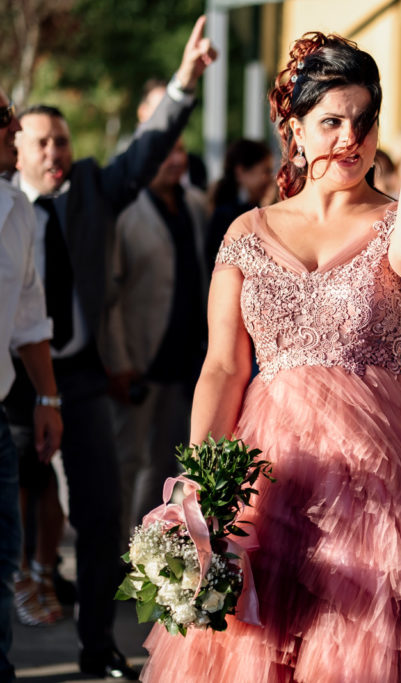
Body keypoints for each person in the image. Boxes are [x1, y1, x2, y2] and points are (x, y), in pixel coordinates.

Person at [139, 32, 401, 682]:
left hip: (382, 482)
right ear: (295, 127)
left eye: (364, 122)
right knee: (267, 639)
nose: (350, 138)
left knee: (366, 648)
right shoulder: (247, 233)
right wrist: (197, 488)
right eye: (332, 121)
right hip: (272, 472)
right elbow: (223, 366)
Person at [7, 17, 217, 679]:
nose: (54, 151)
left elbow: (147, 149)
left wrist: (183, 84)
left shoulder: (94, 191)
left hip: (83, 379)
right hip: (11, 383)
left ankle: (97, 644)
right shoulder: (3, 208)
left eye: (62, 140)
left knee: (101, 516)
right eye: (41, 141)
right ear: (17, 147)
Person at [101, 137, 210, 541]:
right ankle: (118, 551)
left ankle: (161, 550)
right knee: (129, 461)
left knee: (176, 464)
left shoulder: (197, 206)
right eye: (166, 151)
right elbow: (109, 298)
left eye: (181, 150)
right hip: (139, 359)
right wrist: (119, 359)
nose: (176, 159)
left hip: (188, 358)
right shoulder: (126, 211)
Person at [0, 85, 63, 683]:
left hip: (4, 414)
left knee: (0, 562)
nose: (13, 129)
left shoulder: (15, 209)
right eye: (3, 119)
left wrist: (47, 398)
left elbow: (28, 320)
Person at [203, 138, 274, 273]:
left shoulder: (245, 209)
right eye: (266, 171)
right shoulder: (227, 215)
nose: (270, 178)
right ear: (241, 172)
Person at [135, 78, 209, 191]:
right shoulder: (124, 161)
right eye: (160, 110)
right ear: (142, 111)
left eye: (174, 110)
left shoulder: (195, 166)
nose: (169, 117)